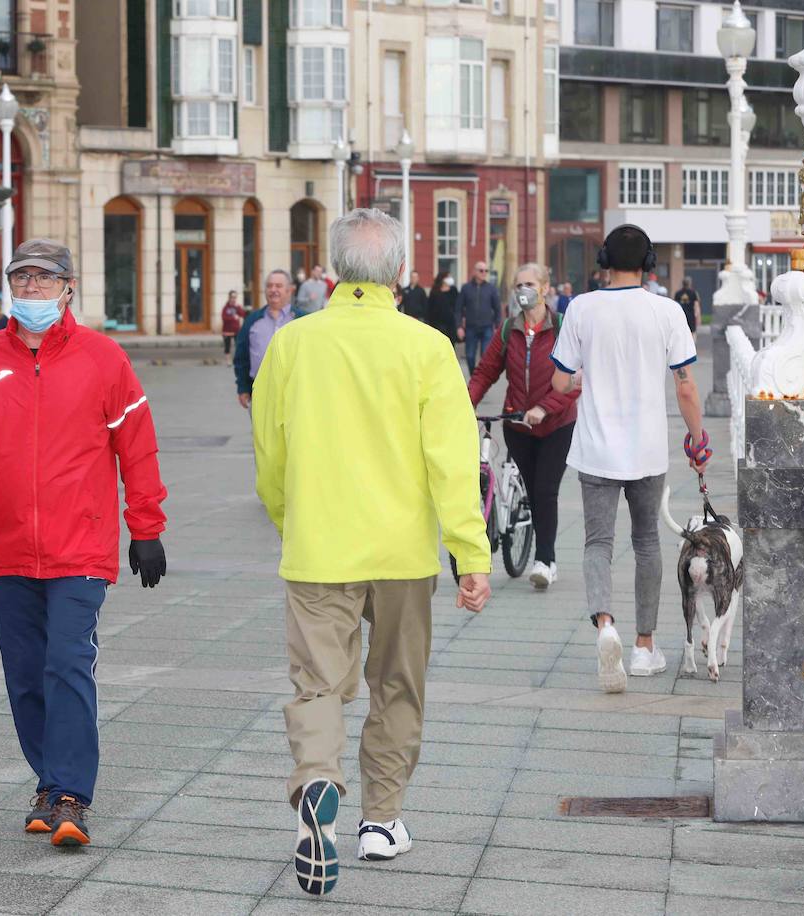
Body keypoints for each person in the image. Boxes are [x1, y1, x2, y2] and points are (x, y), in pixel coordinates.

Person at [251, 209, 490, 892]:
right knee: (397, 687)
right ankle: (382, 822)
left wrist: (287, 517)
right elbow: (452, 460)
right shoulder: (426, 347)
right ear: (399, 275)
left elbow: (269, 453)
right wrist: (470, 557)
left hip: (320, 547)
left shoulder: (293, 345)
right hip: (402, 554)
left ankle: (319, 783)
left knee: (319, 685)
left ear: (331, 272)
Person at [0, 238, 168, 848]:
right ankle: (48, 778)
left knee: (67, 663)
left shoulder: (104, 358)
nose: (32, 287)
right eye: (22, 277)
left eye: (44, 277)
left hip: (80, 547)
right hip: (7, 544)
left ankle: (70, 793)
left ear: (68, 288)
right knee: (25, 675)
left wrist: (146, 529)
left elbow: (136, 446)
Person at [550, 224, 708, 693]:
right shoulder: (667, 311)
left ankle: (605, 627)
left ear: (603, 260)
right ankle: (643, 646)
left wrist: (583, 382)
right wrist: (698, 441)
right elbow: (685, 385)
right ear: (650, 264)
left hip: (596, 448)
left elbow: (559, 382)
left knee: (597, 543)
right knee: (645, 544)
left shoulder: (581, 307)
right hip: (646, 448)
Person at [468, 263, 580, 590]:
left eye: (529, 284)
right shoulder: (508, 330)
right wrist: (464, 404)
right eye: (518, 285)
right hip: (517, 425)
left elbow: (574, 382)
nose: (522, 291)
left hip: (556, 426)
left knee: (545, 491)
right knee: (532, 492)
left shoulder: (562, 327)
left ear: (545, 288)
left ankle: (545, 561)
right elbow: (485, 372)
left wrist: (544, 409)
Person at [234, 269, 309, 409]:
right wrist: (243, 388)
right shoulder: (252, 321)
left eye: (278, 286)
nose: (273, 290)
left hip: (295, 394)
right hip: (260, 393)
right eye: (269, 286)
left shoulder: (303, 320)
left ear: (289, 290)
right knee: (261, 431)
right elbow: (241, 358)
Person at [456, 261, 502, 375]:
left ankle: (480, 379)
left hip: (487, 327)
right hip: (471, 327)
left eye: (486, 271)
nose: (484, 273)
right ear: (474, 271)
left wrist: (497, 326)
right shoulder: (466, 288)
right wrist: (459, 327)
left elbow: (497, 309)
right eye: (481, 270)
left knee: (485, 356)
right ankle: (474, 376)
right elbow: (458, 309)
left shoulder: (491, 289)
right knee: (470, 356)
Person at [426, 271, 459, 345]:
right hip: (438, 324)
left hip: (451, 323)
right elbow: (430, 308)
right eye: (448, 277)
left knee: (451, 344)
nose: (450, 279)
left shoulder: (453, 290)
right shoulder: (435, 291)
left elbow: (457, 305)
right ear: (442, 279)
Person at [675, 276, 701, 340]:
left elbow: (675, 306)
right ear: (690, 283)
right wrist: (698, 318)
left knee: (682, 333)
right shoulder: (693, 293)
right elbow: (696, 306)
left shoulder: (678, 293)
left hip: (681, 316)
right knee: (692, 333)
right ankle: (692, 347)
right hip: (691, 317)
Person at [221, 290, 245, 355]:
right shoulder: (226, 308)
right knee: (227, 347)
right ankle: (228, 361)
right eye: (232, 297)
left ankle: (236, 360)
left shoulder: (237, 307)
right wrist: (233, 318)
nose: (233, 299)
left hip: (236, 330)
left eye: (235, 297)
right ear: (229, 297)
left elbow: (243, 314)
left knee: (238, 346)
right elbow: (224, 318)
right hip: (227, 330)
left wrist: (238, 307)